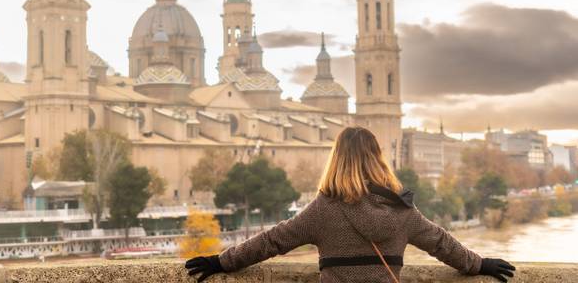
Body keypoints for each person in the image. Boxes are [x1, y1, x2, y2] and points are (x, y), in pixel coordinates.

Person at [186, 126, 515, 282]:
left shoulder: (324, 209)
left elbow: (273, 241)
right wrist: (480, 264)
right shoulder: (402, 210)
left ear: (336, 160)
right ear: (378, 160)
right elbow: (442, 244)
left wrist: (222, 262)